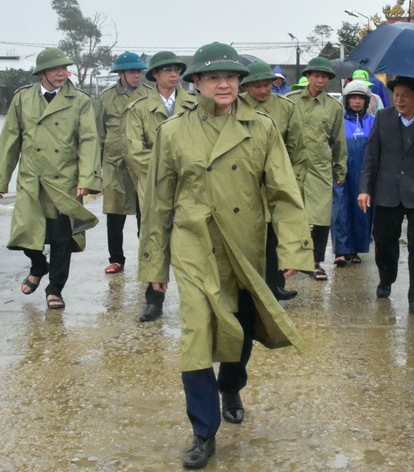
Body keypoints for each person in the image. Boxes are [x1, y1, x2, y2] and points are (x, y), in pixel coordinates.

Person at [138, 42, 313, 469]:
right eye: (214, 77)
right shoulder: (173, 132)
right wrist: (154, 267)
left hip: (246, 244)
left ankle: (231, 384)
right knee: (197, 333)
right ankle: (203, 430)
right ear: (195, 83)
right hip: (194, 244)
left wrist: (293, 248)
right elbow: (159, 203)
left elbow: (284, 191)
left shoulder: (263, 127)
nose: (224, 84)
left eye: (232, 77)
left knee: (240, 326)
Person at [0, 47, 102, 310]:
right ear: (43, 73)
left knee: (62, 237)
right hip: (31, 178)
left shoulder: (80, 101)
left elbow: (89, 140)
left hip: (64, 180)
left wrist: (88, 178)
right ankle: (38, 264)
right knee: (26, 231)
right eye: (55, 69)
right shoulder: (23, 99)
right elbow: (10, 139)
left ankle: (55, 288)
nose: (62, 73)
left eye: (64, 68)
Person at [357, 76, 414, 316]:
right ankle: (386, 278)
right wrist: (365, 189)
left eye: (405, 95)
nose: (399, 100)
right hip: (387, 192)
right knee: (384, 242)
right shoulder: (384, 117)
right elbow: (371, 156)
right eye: (396, 94)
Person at [124, 51, 195, 322]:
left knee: (191, 239)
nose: (174, 74)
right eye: (167, 70)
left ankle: (195, 298)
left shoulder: (194, 105)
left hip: (188, 184)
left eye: (177, 69)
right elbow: (133, 151)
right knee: (154, 239)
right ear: (155, 75)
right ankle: (154, 301)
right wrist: (163, 168)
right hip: (153, 186)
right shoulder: (138, 108)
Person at [240, 61, 299, 301]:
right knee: (250, 233)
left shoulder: (286, 107)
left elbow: (296, 146)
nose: (263, 91)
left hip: (276, 179)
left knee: (275, 234)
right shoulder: (237, 106)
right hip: (245, 180)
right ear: (247, 87)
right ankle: (249, 285)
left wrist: (291, 179)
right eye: (257, 86)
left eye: (267, 85)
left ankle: (276, 284)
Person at [286, 57, 347, 281]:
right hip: (293, 167)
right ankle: (291, 259)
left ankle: (315, 262)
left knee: (321, 217)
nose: (320, 80)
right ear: (308, 76)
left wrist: (340, 171)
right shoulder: (290, 102)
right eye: (316, 75)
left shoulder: (334, 107)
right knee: (292, 213)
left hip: (321, 167)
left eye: (324, 77)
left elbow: (339, 141)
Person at [93, 51, 151, 275]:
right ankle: (116, 258)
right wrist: (93, 170)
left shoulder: (149, 95)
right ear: (121, 74)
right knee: (114, 214)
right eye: (133, 72)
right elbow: (98, 133)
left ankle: (146, 257)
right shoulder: (106, 98)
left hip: (142, 163)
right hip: (114, 164)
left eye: (139, 71)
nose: (137, 75)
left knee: (144, 213)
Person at [332, 80, 375, 267]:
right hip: (343, 172)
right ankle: (341, 251)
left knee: (361, 212)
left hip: (364, 174)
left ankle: (356, 250)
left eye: (360, 98)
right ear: (347, 100)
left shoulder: (373, 121)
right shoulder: (339, 122)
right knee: (340, 211)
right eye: (353, 98)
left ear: (366, 101)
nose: (357, 102)